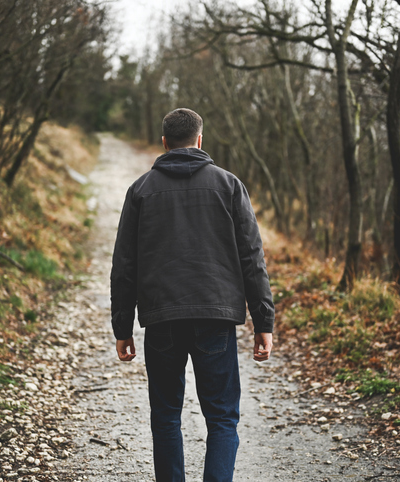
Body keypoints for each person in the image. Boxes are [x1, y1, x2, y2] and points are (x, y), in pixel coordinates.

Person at [110, 108, 274, 482]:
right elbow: (252, 258)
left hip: (162, 319)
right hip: (215, 320)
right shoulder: (229, 185)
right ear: (200, 141)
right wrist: (263, 321)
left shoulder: (140, 190)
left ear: (164, 143)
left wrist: (122, 328)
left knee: (166, 415)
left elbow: (124, 267)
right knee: (221, 418)